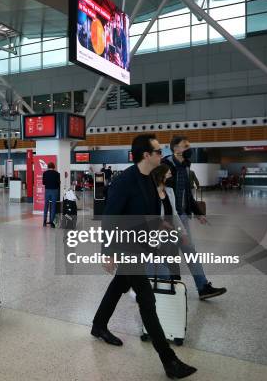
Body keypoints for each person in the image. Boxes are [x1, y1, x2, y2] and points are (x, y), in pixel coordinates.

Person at [92, 134, 197, 379]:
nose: (162, 154)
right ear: (146, 155)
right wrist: (106, 253)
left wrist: (161, 224)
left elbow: (148, 213)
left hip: (142, 246)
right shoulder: (124, 181)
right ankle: (169, 361)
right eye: (158, 151)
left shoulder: (149, 179)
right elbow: (110, 218)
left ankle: (99, 325)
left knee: (119, 284)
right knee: (147, 300)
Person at [163, 136, 226, 300]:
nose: (189, 148)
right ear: (176, 148)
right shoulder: (166, 165)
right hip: (170, 219)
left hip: (182, 216)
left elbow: (187, 193)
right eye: (186, 146)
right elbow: (164, 194)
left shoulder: (185, 165)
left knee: (189, 251)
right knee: (169, 254)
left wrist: (198, 213)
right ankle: (168, 288)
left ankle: (203, 287)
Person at [42, 162, 60, 228]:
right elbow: (58, 183)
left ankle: (44, 221)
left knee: (46, 206)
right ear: (53, 166)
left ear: (48, 167)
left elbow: (43, 183)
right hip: (54, 190)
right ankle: (52, 222)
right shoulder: (57, 173)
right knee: (53, 207)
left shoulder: (45, 173)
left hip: (47, 190)